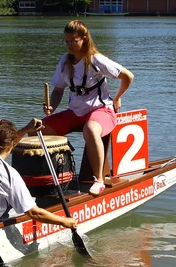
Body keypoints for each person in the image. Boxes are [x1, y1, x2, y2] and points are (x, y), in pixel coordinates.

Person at [43, 20, 134, 196]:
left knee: (91, 129)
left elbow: (128, 76)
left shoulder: (96, 60)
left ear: (84, 39)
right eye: (66, 41)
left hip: (102, 111)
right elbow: (58, 90)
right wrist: (51, 107)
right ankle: (52, 176)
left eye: (73, 41)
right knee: (39, 129)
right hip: (76, 112)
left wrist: (117, 97)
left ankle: (98, 180)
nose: (69, 45)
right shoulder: (64, 62)